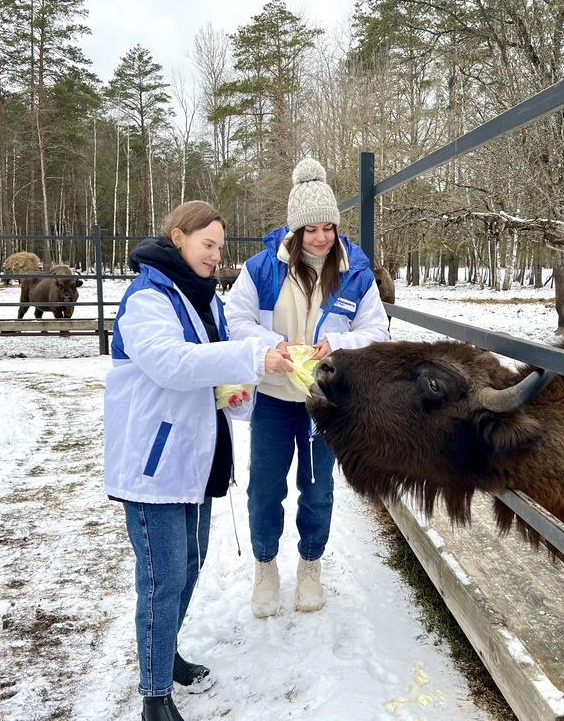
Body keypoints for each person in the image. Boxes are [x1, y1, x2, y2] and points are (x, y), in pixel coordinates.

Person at [103, 200, 294, 721]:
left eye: (220, 247)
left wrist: (232, 390)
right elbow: (171, 362)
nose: (215, 255)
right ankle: (153, 694)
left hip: (194, 457)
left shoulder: (202, 298)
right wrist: (253, 359)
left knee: (188, 566)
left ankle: (166, 655)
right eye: (207, 244)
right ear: (178, 237)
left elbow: (206, 369)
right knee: (162, 577)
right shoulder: (147, 297)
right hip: (153, 464)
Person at [225, 158, 390, 618]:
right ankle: (265, 567)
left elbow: (378, 333)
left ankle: (311, 565)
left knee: (317, 490)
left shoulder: (356, 271)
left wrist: (335, 345)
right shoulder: (260, 269)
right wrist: (273, 345)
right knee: (265, 487)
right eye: (310, 229)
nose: (320, 238)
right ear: (294, 231)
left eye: (328, 227)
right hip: (275, 397)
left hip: (327, 402)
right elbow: (233, 320)